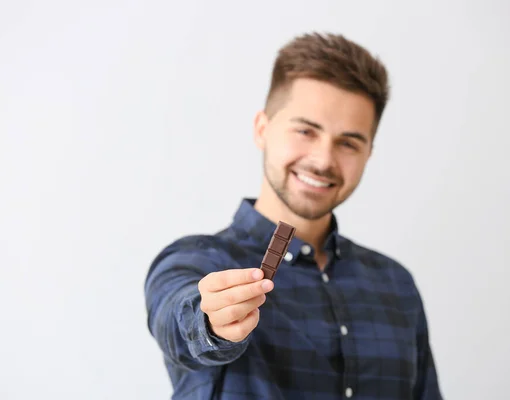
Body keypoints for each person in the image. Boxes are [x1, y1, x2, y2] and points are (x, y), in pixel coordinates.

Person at [144, 32, 443, 400]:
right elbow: (179, 320)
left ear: (369, 154)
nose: (323, 160)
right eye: (305, 130)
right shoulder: (194, 262)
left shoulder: (397, 286)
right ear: (262, 129)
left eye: (348, 142)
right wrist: (212, 323)